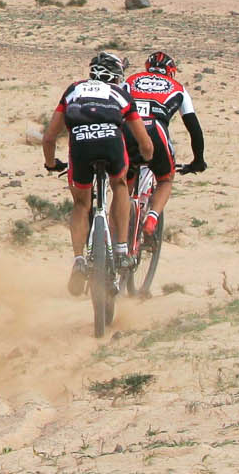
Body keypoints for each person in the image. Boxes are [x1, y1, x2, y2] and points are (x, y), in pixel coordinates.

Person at [41, 51, 165, 294]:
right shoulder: (120, 93)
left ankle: (79, 260)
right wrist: (148, 159)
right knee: (119, 186)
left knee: (81, 205)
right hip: (110, 144)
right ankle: (120, 249)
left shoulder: (73, 90)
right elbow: (145, 143)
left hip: (80, 146)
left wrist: (50, 163)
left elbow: (49, 136)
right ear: (117, 76)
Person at [125, 48, 207, 176]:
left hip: (128, 128)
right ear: (171, 72)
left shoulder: (131, 80)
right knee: (166, 179)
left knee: (123, 179)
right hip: (156, 129)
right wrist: (198, 161)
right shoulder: (178, 88)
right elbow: (194, 129)